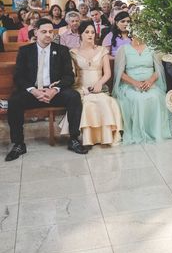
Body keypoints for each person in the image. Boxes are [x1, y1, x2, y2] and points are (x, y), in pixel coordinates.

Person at [5, 18, 87, 161]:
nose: (48, 35)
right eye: (44, 32)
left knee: (74, 97)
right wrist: (34, 90)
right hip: (33, 92)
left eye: (51, 31)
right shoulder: (25, 51)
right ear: (36, 32)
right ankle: (18, 144)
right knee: (14, 101)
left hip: (53, 92)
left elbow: (69, 76)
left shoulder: (61, 50)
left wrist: (55, 89)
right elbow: (19, 77)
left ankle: (73, 139)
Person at [60, 20, 122, 145]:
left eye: (92, 32)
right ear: (80, 34)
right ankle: (87, 139)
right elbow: (71, 75)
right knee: (87, 104)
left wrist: (99, 84)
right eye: (87, 32)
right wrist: (83, 89)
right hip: (81, 88)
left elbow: (107, 74)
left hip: (99, 87)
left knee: (106, 102)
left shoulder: (102, 50)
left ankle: (105, 138)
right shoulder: (73, 53)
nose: (90, 35)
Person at [112, 34, 172, 144]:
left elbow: (158, 70)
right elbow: (120, 73)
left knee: (155, 97)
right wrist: (134, 83)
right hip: (130, 85)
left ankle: (155, 131)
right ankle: (139, 133)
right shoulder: (123, 49)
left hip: (151, 84)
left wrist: (150, 81)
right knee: (138, 99)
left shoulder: (152, 48)